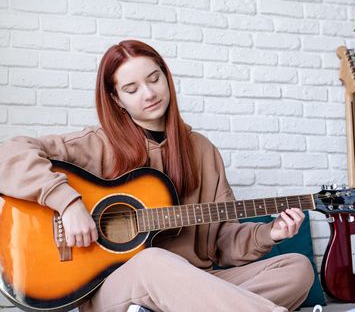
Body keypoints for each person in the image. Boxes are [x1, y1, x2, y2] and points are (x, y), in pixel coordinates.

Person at [0, 40, 314, 312]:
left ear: (166, 77)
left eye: (154, 79)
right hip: (116, 292)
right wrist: (67, 204)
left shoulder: (203, 151)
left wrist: (269, 234)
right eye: (131, 88)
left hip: (194, 285)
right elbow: (10, 154)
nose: (149, 93)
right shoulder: (97, 144)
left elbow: (222, 240)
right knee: (154, 260)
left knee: (296, 269)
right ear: (115, 99)